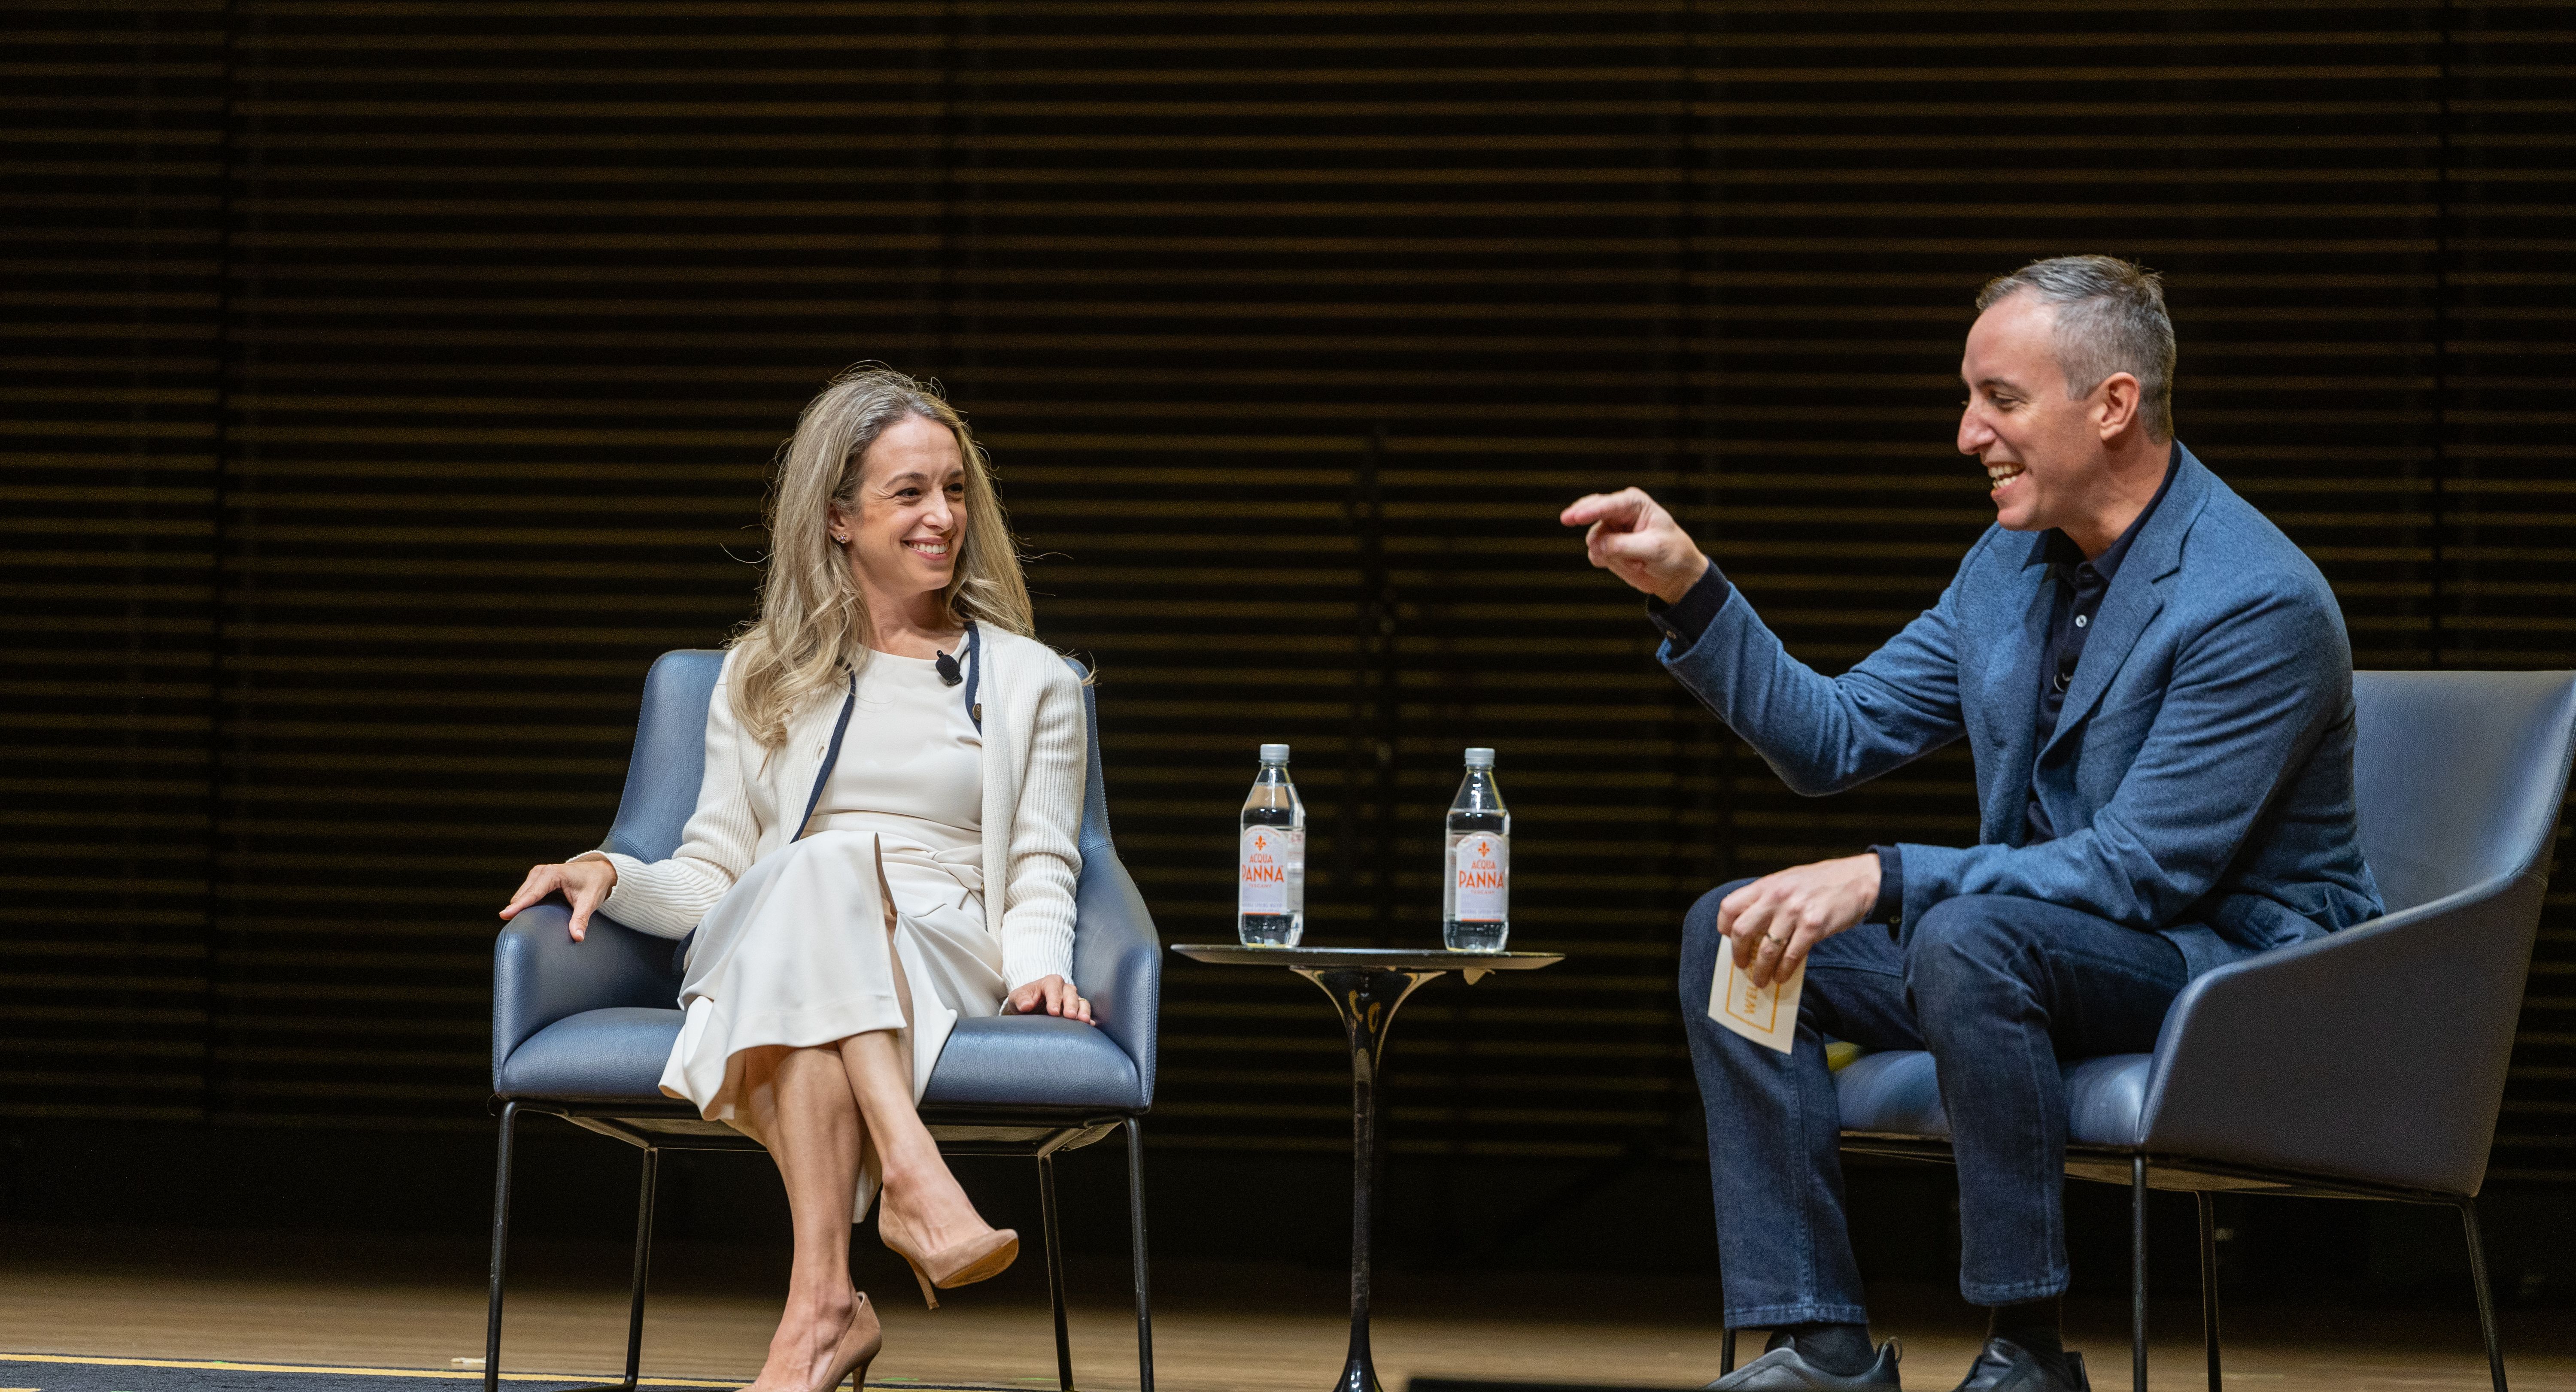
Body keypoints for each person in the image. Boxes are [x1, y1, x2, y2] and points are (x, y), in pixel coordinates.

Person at [1562, 257, 2382, 1392]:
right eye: (1969, 397)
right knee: (1733, 935)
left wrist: (1888, 876)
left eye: (1999, 399)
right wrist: (1690, 585)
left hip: (2224, 966)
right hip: (2027, 950)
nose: (1966, 434)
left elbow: (2144, 869)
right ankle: (1819, 1338)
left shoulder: (2255, 599)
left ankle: (2029, 1350)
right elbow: (1834, 736)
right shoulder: (2009, 568)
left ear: (2111, 405)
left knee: (1963, 933)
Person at [499, 366, 1092, 1392]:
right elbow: (712, 869)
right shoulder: (761, 673)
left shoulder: (1035, 678)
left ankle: (822, 1309)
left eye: (955, 491)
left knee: (814, 960)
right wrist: (609, 870)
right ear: (837, 517)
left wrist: (1039, 965)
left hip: (937, 942)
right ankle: (907, 1183)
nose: (941, 516)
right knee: (813, 874)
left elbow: (1045, 858)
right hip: (775, 923)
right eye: (910, 493)